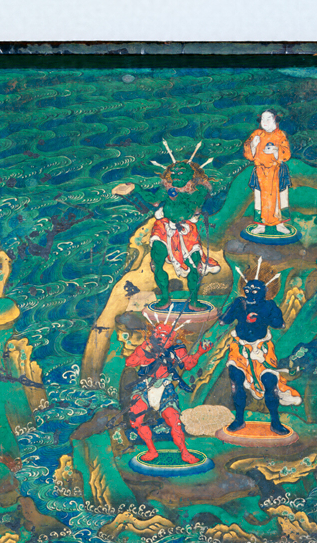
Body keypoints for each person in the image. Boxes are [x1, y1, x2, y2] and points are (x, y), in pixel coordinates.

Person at [218, 268, 301, 435]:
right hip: (240, 349)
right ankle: (239, 420)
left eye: (255, 290)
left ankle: (275, 422)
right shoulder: (239, 302)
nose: (251, 293)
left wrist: (261, 316)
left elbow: (279, 324)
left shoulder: (269, 305)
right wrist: (236, 313)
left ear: (265, 291)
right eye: (247, 289)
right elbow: (223, 321)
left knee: (270, 383)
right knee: (236, 381)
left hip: (262, 350)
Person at [125, 320, 213, 463]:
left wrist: (199, 352)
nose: (160, 337)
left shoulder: (177, 348)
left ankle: (185, 453)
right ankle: (152, 450)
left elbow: (188, 364)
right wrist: (146, 350)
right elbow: (130, 362)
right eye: (158, 334)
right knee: (136, 419)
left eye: (165, 336)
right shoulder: (146, 346)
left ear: (172, 338)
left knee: (174, 421)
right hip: (144, 386)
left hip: (165, 388)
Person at [148, 160, 220, 310]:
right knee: (157, 263)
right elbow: (154, 201)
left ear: (191, 174)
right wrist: (135, 189)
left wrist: (176, 197)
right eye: (174, 173)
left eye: (181, 173)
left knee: (194, 265)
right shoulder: (167, 189)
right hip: (164, 229)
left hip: (187, 231)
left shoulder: (199, 190)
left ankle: (193, 301)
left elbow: (192, 206)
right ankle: (165, 298)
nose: (176, 176)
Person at [244, 110, 291, 234]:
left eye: (268, 118)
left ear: (275, 119)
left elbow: (286, 153)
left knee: (281, 197)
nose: (264, 122)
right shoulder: (257, 134)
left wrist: (275, 150)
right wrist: (253, 145)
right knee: (259, 198)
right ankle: (261, 225)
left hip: (278, 171)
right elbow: (248, 153)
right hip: (260, 171)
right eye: (263, 119)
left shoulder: (280, 134)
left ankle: (280, 224)